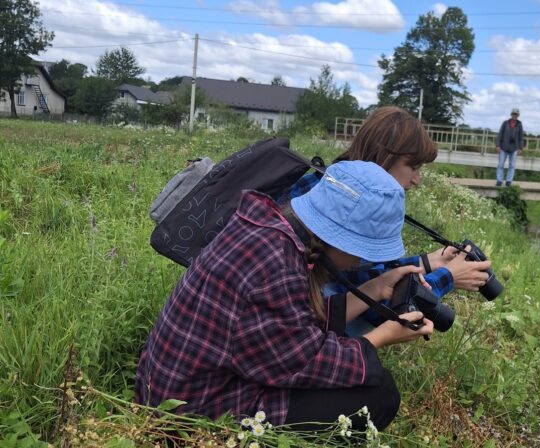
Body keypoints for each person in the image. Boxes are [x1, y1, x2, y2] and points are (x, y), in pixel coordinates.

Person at [135, 161, 434, 432]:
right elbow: (305, 362)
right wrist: (382, 336)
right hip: (189, 417)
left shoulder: (268, 229)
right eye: (362, 251)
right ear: (337, 237)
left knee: (371, 382)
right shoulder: (275, 265)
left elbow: (283, 326)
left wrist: (374, 289)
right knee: (379, 395)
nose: (360, 262)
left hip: (174, 388)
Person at [281, 106, 492, 303]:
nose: (417, 180)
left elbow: (367, 272)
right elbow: (375, 302)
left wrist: (426, 263)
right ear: (384, 157)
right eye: (413, 167)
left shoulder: (329, 182)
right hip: (304, 312)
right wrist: (448, 278)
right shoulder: (344, 206)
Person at [495, 108, 524, 187]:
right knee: (500, 164)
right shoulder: (505, 123)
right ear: (511, 114)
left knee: (512, 166)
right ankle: (499, 181)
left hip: (514, 148)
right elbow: (500, 134)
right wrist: (497, 145)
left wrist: (520, 148)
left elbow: (521, 137)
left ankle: (508, 181)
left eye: (516, 114)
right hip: (504, 147)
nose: (515, 115)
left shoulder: (519, 124)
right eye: (514, 114)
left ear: (518, 115)